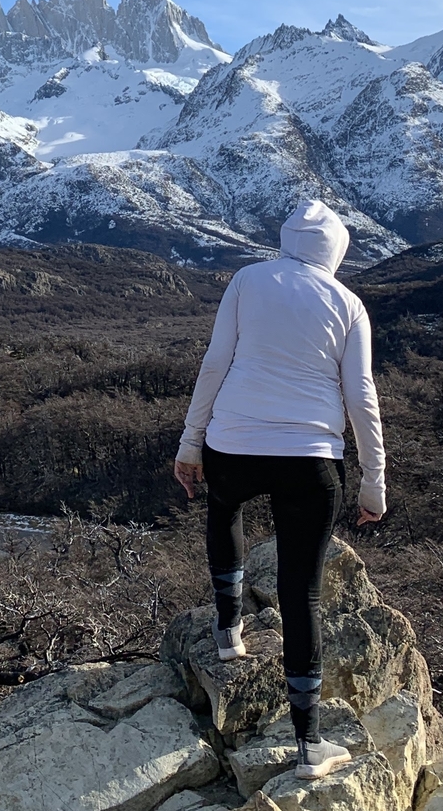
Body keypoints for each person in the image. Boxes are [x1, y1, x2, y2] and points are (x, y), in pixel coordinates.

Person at [172, 199, 387, 781]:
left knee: (224, 507)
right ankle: (308, 745)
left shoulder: (247, 279)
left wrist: (191, 442)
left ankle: (228, 631)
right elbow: (360, 394)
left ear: (289, 241)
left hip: (233, 443)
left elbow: (216, 361)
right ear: (336, 251)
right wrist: (374, 480)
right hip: (311, 459)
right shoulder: (349, 303)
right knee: (302, 595)